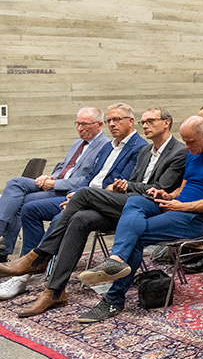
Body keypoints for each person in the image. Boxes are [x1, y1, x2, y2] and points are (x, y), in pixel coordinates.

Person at [0, 108, 187, 311]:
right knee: (79, 218)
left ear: (166, 122)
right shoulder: (145, 151)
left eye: (150, 121)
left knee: (83, 194)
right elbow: (131, 181)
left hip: (150, 209)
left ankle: (39, 256)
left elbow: (161, 188)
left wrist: (127, 186)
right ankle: (54, 292)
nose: (146, 126)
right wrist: (121, 186)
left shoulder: (178, 152)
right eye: (144, 122)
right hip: (126, 203)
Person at [75, 116, 203, 322]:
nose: (187, 146)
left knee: (136, 236)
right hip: (177, 207)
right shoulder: (194, 152)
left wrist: (181, 206)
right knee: (135, 201)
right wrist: (168, 195)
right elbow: (184, 187)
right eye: (185, 141)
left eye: (190, 141)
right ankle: (116, 260)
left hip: (198, 219)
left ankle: (113, 301)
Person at [17, 103, 147, 254]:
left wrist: (79, 198)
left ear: (130, 121)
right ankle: (27, 260)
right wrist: (75, 194)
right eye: (109, 121)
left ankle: (40, 259)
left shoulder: (140, 148)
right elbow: (90, 177)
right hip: (81, 194)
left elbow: (119, 184)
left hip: (102, 202)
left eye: (116, 119)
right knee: (29, 209)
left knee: (60, 218)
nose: (111, 124)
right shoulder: (108, 147)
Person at [0, 107, 110, 260]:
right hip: (55, 183)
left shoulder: (106, 146)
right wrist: (50, 178)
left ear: (99, 125)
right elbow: (63, 166)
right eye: (77, 123)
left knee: (19, 202)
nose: (80, 128)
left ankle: (18, 255)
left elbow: (88, 180)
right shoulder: (78, 143)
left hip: (68, 191)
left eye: (85, 124)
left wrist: (55, 184)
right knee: (15, 184)